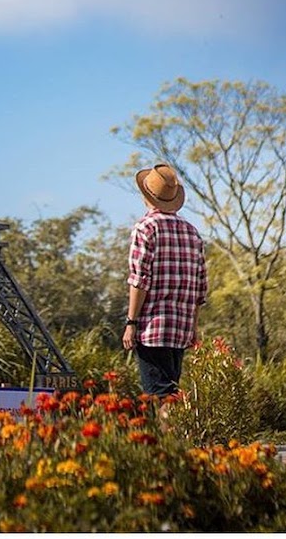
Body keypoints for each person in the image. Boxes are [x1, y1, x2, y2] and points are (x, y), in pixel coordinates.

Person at [122, 163, 207, 398]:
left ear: (145, 196)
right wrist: (193, 328)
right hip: (180, 328)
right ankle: (178, 434)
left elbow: (139, 280)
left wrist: (131, 322)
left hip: (153, 327)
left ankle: (168, 436)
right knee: (172, 393)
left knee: (160, 397)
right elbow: (200, 288)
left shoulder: (145, 228)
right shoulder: (192, 232)